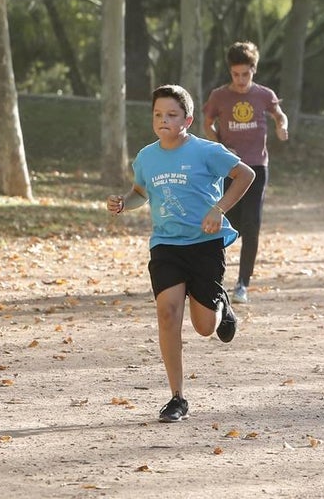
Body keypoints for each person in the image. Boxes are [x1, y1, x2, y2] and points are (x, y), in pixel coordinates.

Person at [106, 84, 254, 423]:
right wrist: (122, 204)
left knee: (204, 327)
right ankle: (177, 397)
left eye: (171, 115)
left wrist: (219, 209)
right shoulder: (146, 157)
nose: (163, 120)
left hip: (204, 245)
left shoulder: (207, 151)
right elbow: (140, 192)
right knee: (167, 313)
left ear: (187, 119)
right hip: (166, 246)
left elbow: (244, 175)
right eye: (158, 114)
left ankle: (221, 307)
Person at [203, 41, 289, 304]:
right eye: (235, 74)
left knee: (252, 225)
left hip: (257, 166)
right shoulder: (219, 96)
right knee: (230, 225)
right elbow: (207, 122)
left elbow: (279, 114)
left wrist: (281, 127)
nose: (240, 80)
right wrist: (219, 145)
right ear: (230, 72)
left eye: (245, 74)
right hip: (229, 168)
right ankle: (214, 279)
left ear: (254, 70)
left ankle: (243, 284)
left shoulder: (264, 95)